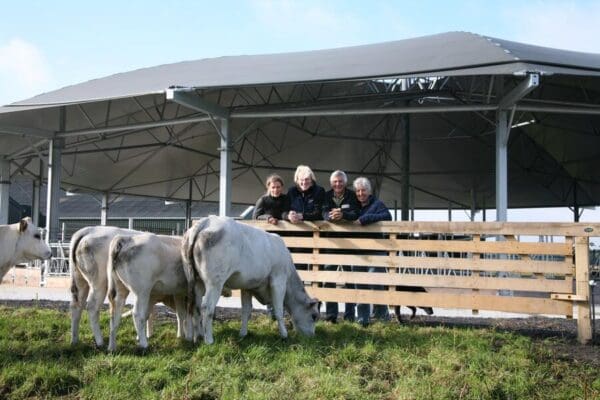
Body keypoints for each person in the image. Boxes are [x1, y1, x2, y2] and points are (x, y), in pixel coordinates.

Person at [352, 176, 392, 327]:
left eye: (363, 190)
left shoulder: (377, 203)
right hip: (357, 250)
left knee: (376, 282)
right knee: (360, 284)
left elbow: (387, 216)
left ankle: (382, 316)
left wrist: (366, 218)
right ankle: (363, 318)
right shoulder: (354, 205)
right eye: (358, 191)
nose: (360, 193)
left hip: (376, 249)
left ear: (369, 191)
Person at [321, 170, 360, 323]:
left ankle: (350, 316)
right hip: (331, 244)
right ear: (332, 183)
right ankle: (331, 316)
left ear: (345, 183)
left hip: (349, 244)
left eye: (340, 181)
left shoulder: (351, 195)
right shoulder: (326, 195)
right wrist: (330, 216)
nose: (338, 184)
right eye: (335, 182)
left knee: (350, 279)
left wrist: (343, 214)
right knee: (329, 279)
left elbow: (356, 212)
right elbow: (323, 211)